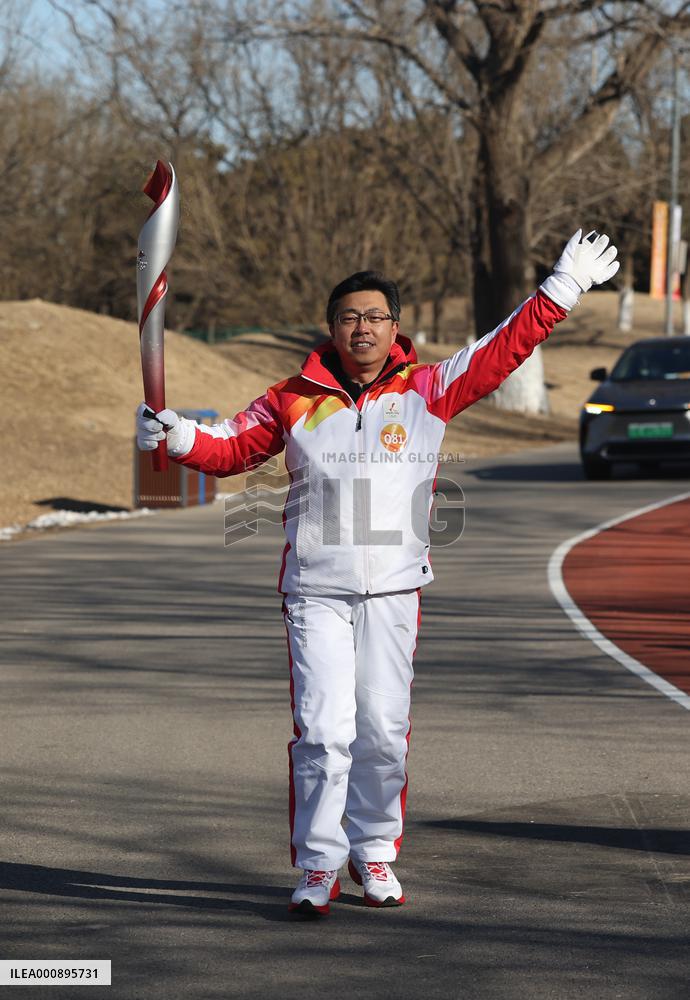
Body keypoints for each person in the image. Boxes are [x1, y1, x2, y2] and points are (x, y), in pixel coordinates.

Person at [136, 229, 619, 916]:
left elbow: (503, 350)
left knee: (384, 731)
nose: (361, 327)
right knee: (324, 731)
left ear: (395, 327)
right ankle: (318, 864)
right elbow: (233, 447)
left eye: (374, 316)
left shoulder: (428, 388)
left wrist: (561, 288)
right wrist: (178, 435)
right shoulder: (292, 397)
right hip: (316, 591)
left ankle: (374, 850)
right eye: (348, 317)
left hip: (394, 587)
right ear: (330, 328)